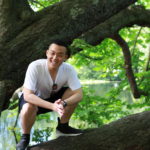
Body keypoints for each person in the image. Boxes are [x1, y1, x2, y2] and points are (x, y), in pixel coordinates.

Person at [16, 40, 83, 150]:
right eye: (52, 53)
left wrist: (64, 103)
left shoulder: (69, 69)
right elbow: (28, 96)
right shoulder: (35, 66)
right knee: (29, 106)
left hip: (54, 99)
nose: (55, 57)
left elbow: (79, 94)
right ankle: (25, 137)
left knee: (73, 92)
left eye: (60, 55)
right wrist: (53, 106)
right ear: (47, 53)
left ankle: (63, 127)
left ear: (66, 57)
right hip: (34, 100)